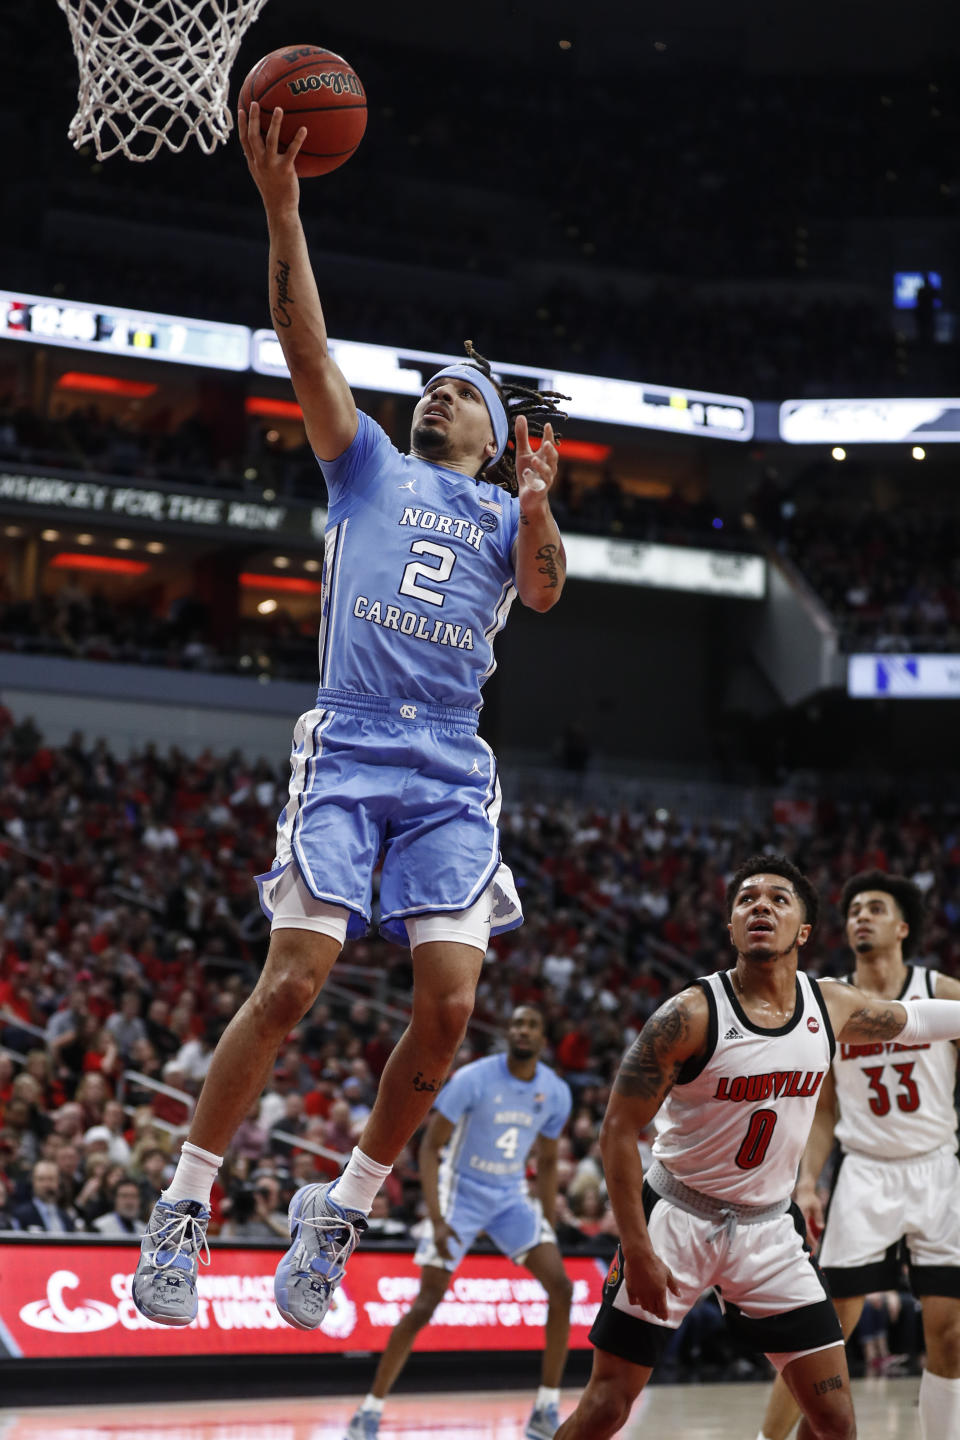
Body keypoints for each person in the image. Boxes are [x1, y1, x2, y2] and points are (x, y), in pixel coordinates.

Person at [133, 99, 569, 1332]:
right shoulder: (367, 463)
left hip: (450, 766)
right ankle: (184, 1202)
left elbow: (542, 594)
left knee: (448, 1010)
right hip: (354, 736)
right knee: (295, 983)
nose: (433, 401)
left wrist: (538, 508)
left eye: (455, 396)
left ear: (493, 435)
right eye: (424, 390)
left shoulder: (503, 514)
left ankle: (343, 1207)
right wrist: (284, 209)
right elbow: (306, 344)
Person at [554, 854, 960, 1440]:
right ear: (731, 927)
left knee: (834, 1423)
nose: (760, 905)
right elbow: (618, 1130)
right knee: (607, 1408)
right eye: (746, 899)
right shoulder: (688, 1015)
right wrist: (637, 1250)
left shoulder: (830, 1004)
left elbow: (913, 1020)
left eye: (778, 898)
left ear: (803, 931)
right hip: (677, 1217)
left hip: (769, 1230)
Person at [756, 870, 960, 1440]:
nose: (860, 917)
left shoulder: (942, 992)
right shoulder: (831, 1001)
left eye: (874, 908)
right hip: (865, 1172)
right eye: (853, 911)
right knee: (825, 1332)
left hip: (937, 1167)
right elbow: (823, 1111)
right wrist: (807, 1183)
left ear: (902, 927)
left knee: (949, 1332)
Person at [345, 1006, 573, 1440]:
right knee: (427, 1302)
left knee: (561, 1287)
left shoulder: (556, 1092)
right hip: (460, 1193)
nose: (522, 1029)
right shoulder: (473, 1078)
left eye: (532, 1024)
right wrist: (437, 1218)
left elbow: (545, 1161)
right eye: (517, 1023)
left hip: (509, 1197)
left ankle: (546, 1408)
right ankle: (369, 1410)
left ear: (544, 1038)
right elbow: (430, 1148)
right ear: (508, 1033)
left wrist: (546, 1219)